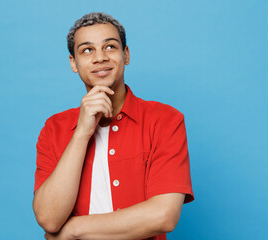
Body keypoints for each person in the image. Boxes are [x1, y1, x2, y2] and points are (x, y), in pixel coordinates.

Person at [33, 12, 194, 240]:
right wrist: (81, 133)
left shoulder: (165, 120)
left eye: (109, 47)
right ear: (73, 63)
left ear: (125, 55)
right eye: (87, 50)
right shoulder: (54, 129)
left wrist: (73, 231)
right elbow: (49, 218)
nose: (100, 58)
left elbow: (164, 215)